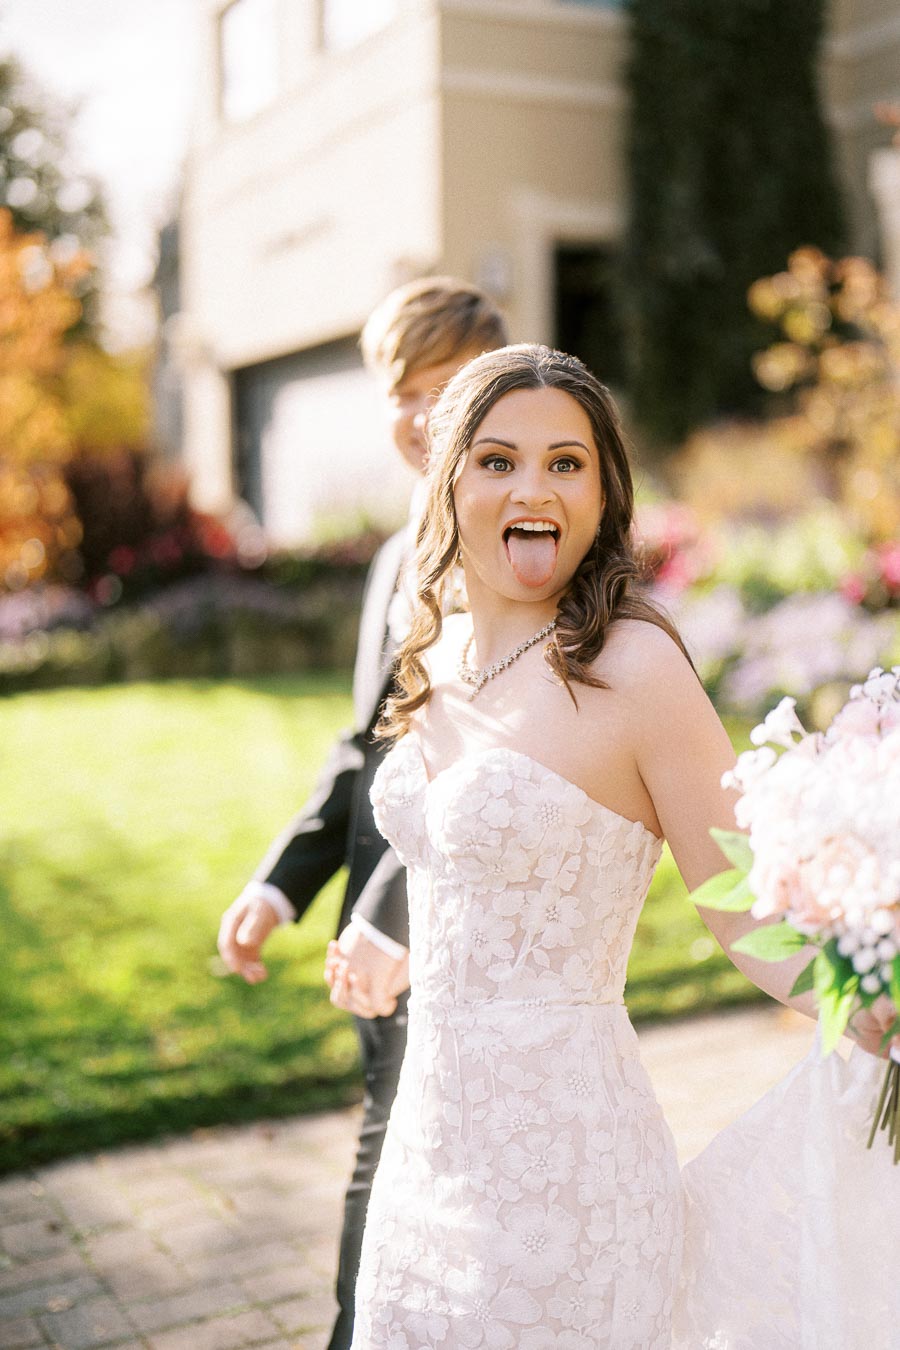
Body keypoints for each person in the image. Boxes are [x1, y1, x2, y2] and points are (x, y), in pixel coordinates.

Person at [327, 344, 897, 1349]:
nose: (532, 487)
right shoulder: (438, 655)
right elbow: (467, 868)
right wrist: (391, 931)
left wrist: (870, 1003)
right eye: (498, 460)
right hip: (427, 1156)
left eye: (566, 462)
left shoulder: (633, 667)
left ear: (602, 494)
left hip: (571, 1175)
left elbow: (743, 903)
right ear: (449, 478)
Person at [217, 278, 508, 1350]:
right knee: (391, 1154)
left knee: (407, 1176)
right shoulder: (399, 555)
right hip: (370, 935)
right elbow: (368, 747)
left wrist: (391, 914)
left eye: (452, 387)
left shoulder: (510, 544)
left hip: (453, 926)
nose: (427, 413)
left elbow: (476, 754)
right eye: (407, 389)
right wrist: (279, 884)